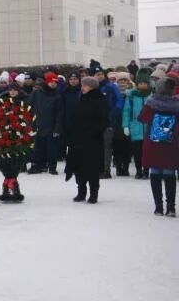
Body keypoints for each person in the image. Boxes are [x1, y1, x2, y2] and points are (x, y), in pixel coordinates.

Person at [138, 76, 179, 216]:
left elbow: (141, 118)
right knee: (169, 174)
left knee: (155, 173)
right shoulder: (177, 104)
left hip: (153, 143)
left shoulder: (151, 103)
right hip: (171, 143)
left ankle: (158, 207)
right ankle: (171, 207)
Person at [65, 76, 109, 204]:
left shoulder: (100, 100)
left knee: (92, 168)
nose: (82, 87)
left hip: (92, 141)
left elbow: (104, 120)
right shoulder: (81, 99)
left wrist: (93, 132)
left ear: (92, 87)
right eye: (82, 85)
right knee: (79, 167)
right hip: (77, 140)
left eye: (85, 85)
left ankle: (93, 194)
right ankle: (81, 192)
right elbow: (73, 118)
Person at [28, 73, 63, 175]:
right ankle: (38, 166)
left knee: (52, 148)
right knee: (37, 147)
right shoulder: (36, 94)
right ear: (47, 82)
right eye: (51, 82)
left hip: (51, 126)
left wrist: (57, 128)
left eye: (55, 82)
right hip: (37, 124)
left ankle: (52, 166)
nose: (53, 84)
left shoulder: (57, 96)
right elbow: (28, 107)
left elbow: (59, 113)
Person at [122, 68, 152, 179]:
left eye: (145, 83)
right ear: (137, 84)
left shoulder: (152, 95)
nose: (143, 85)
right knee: (137, 152)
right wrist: (125, 125)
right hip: (135, 127)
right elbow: (126, 111)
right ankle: (139, 170)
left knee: (148, 152)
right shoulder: (132, 95)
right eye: (141, 83)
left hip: (149, 128)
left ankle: (146, 170)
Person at [95, 66, 123, 179]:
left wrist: (113, 114)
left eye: (101, 73)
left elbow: (119, 100)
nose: (99, 76)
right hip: (94, 123)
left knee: (106, 147)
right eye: (97, 74)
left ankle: (106, 170)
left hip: (108, 122)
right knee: (96, 147)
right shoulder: (92, 87)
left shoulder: (111, 87)